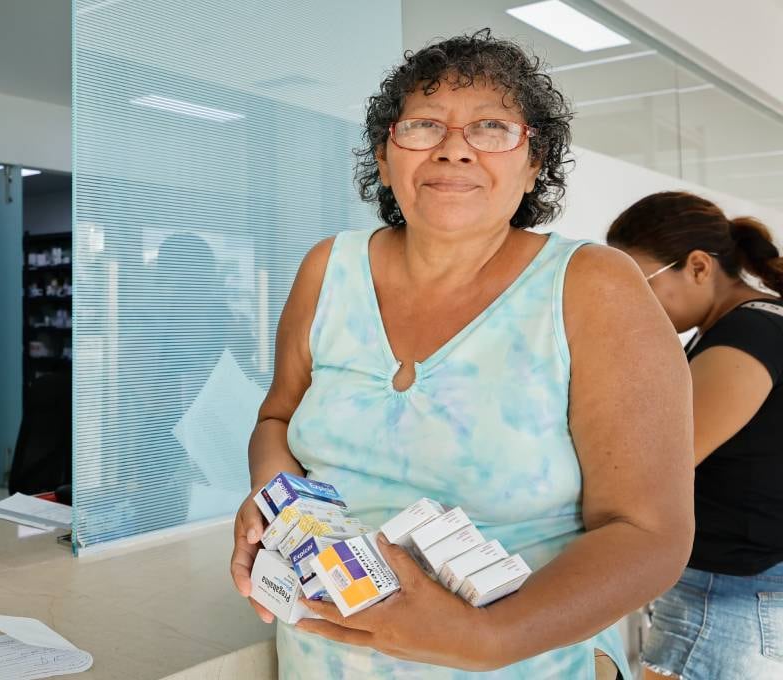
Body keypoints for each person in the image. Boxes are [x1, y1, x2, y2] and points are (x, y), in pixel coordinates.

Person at [228, 30, 694, 678]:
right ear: (386, 157)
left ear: (535, 162)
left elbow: (649, 536)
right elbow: (276, 420)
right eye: (422, 126)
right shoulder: (327, 271)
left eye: (492, 128)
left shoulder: (593, 287)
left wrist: (482, 639)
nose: (454, 149)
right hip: (318, 657)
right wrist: (271, 500)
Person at [607, 191, 783, 680]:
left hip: (725, 595)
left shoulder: (748, 336)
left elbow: (661, 465)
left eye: (640, 286)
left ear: (699, 266)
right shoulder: (739, 328)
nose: (630, 307)